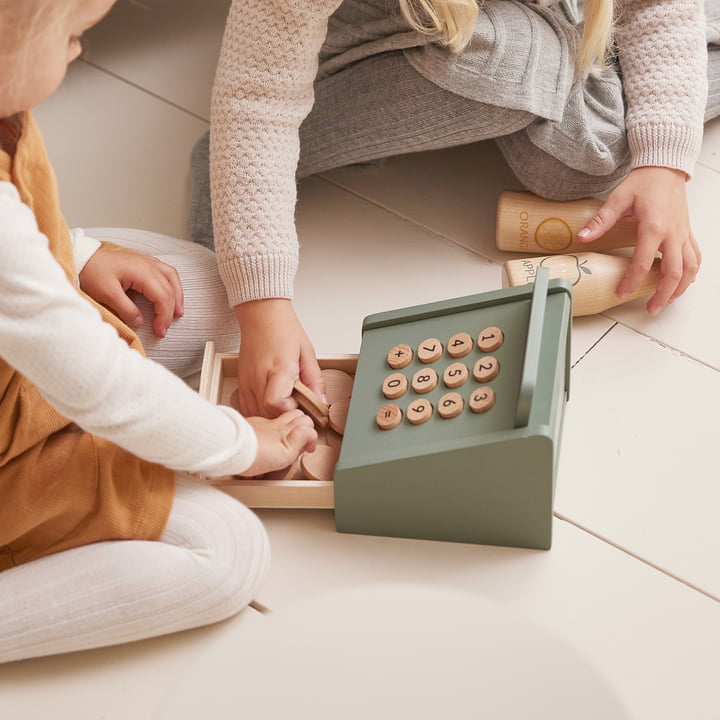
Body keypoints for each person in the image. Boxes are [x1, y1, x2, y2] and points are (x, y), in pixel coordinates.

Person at [189, 0, 716, 420]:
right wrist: (262, 307)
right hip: (372, 31)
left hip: (515, 20)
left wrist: (664, 165)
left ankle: (586, 58)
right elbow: (257, 95)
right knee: (529, 70)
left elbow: (656, 4)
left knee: (576, 164)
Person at [0, 0, 317, 664]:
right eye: (73, 35)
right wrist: (235, 445)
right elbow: (101, 387)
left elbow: (18, 236)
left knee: (211, 296)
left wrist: (80, 254)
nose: (79, 51)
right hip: (13, 450)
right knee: (229, 554)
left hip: (30, 365)